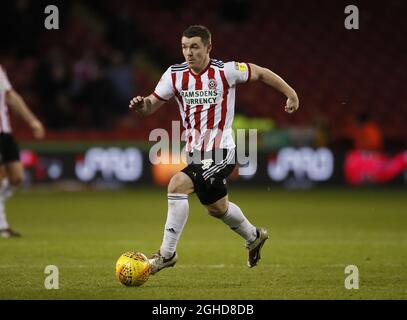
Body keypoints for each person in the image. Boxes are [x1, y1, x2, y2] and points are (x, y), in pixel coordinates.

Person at [129, 25, 299, 274]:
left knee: (177, 184)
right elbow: (151, 106)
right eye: (185, 47)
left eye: (195, 47)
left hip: (222, 152)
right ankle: (254, 236)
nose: (189, 52)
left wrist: (291, 93)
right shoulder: (174, 75)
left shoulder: (226, 71)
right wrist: (141, 105)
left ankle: (167, 255)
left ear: (209, 47)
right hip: (196, 154)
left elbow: (261, 73)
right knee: (217, 209)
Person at [0, 65, 45, 238]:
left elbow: (11, 97)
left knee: (17, 178)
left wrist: (32, 121)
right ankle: (2, 226)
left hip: (5, 132)